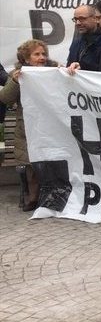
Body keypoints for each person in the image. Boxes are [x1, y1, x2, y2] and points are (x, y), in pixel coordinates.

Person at [0, 40, 61, 211]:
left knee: (53, 162)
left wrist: (68, 72)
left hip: (52, 126)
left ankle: (54, 196)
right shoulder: (18, 74)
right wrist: (14, 81)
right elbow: (5, 98)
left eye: (43, 54)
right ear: (26, 58)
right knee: (33, 166)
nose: (42, 57)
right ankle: (33, 198)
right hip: (27, 129)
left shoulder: (55, 69)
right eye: (37, 54)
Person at [66, 4, 101, 72]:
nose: (78, 23)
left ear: (95, 18)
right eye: (75, 19)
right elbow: (69, 67)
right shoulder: (76, 43)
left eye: (82, 19)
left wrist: (83, 66)